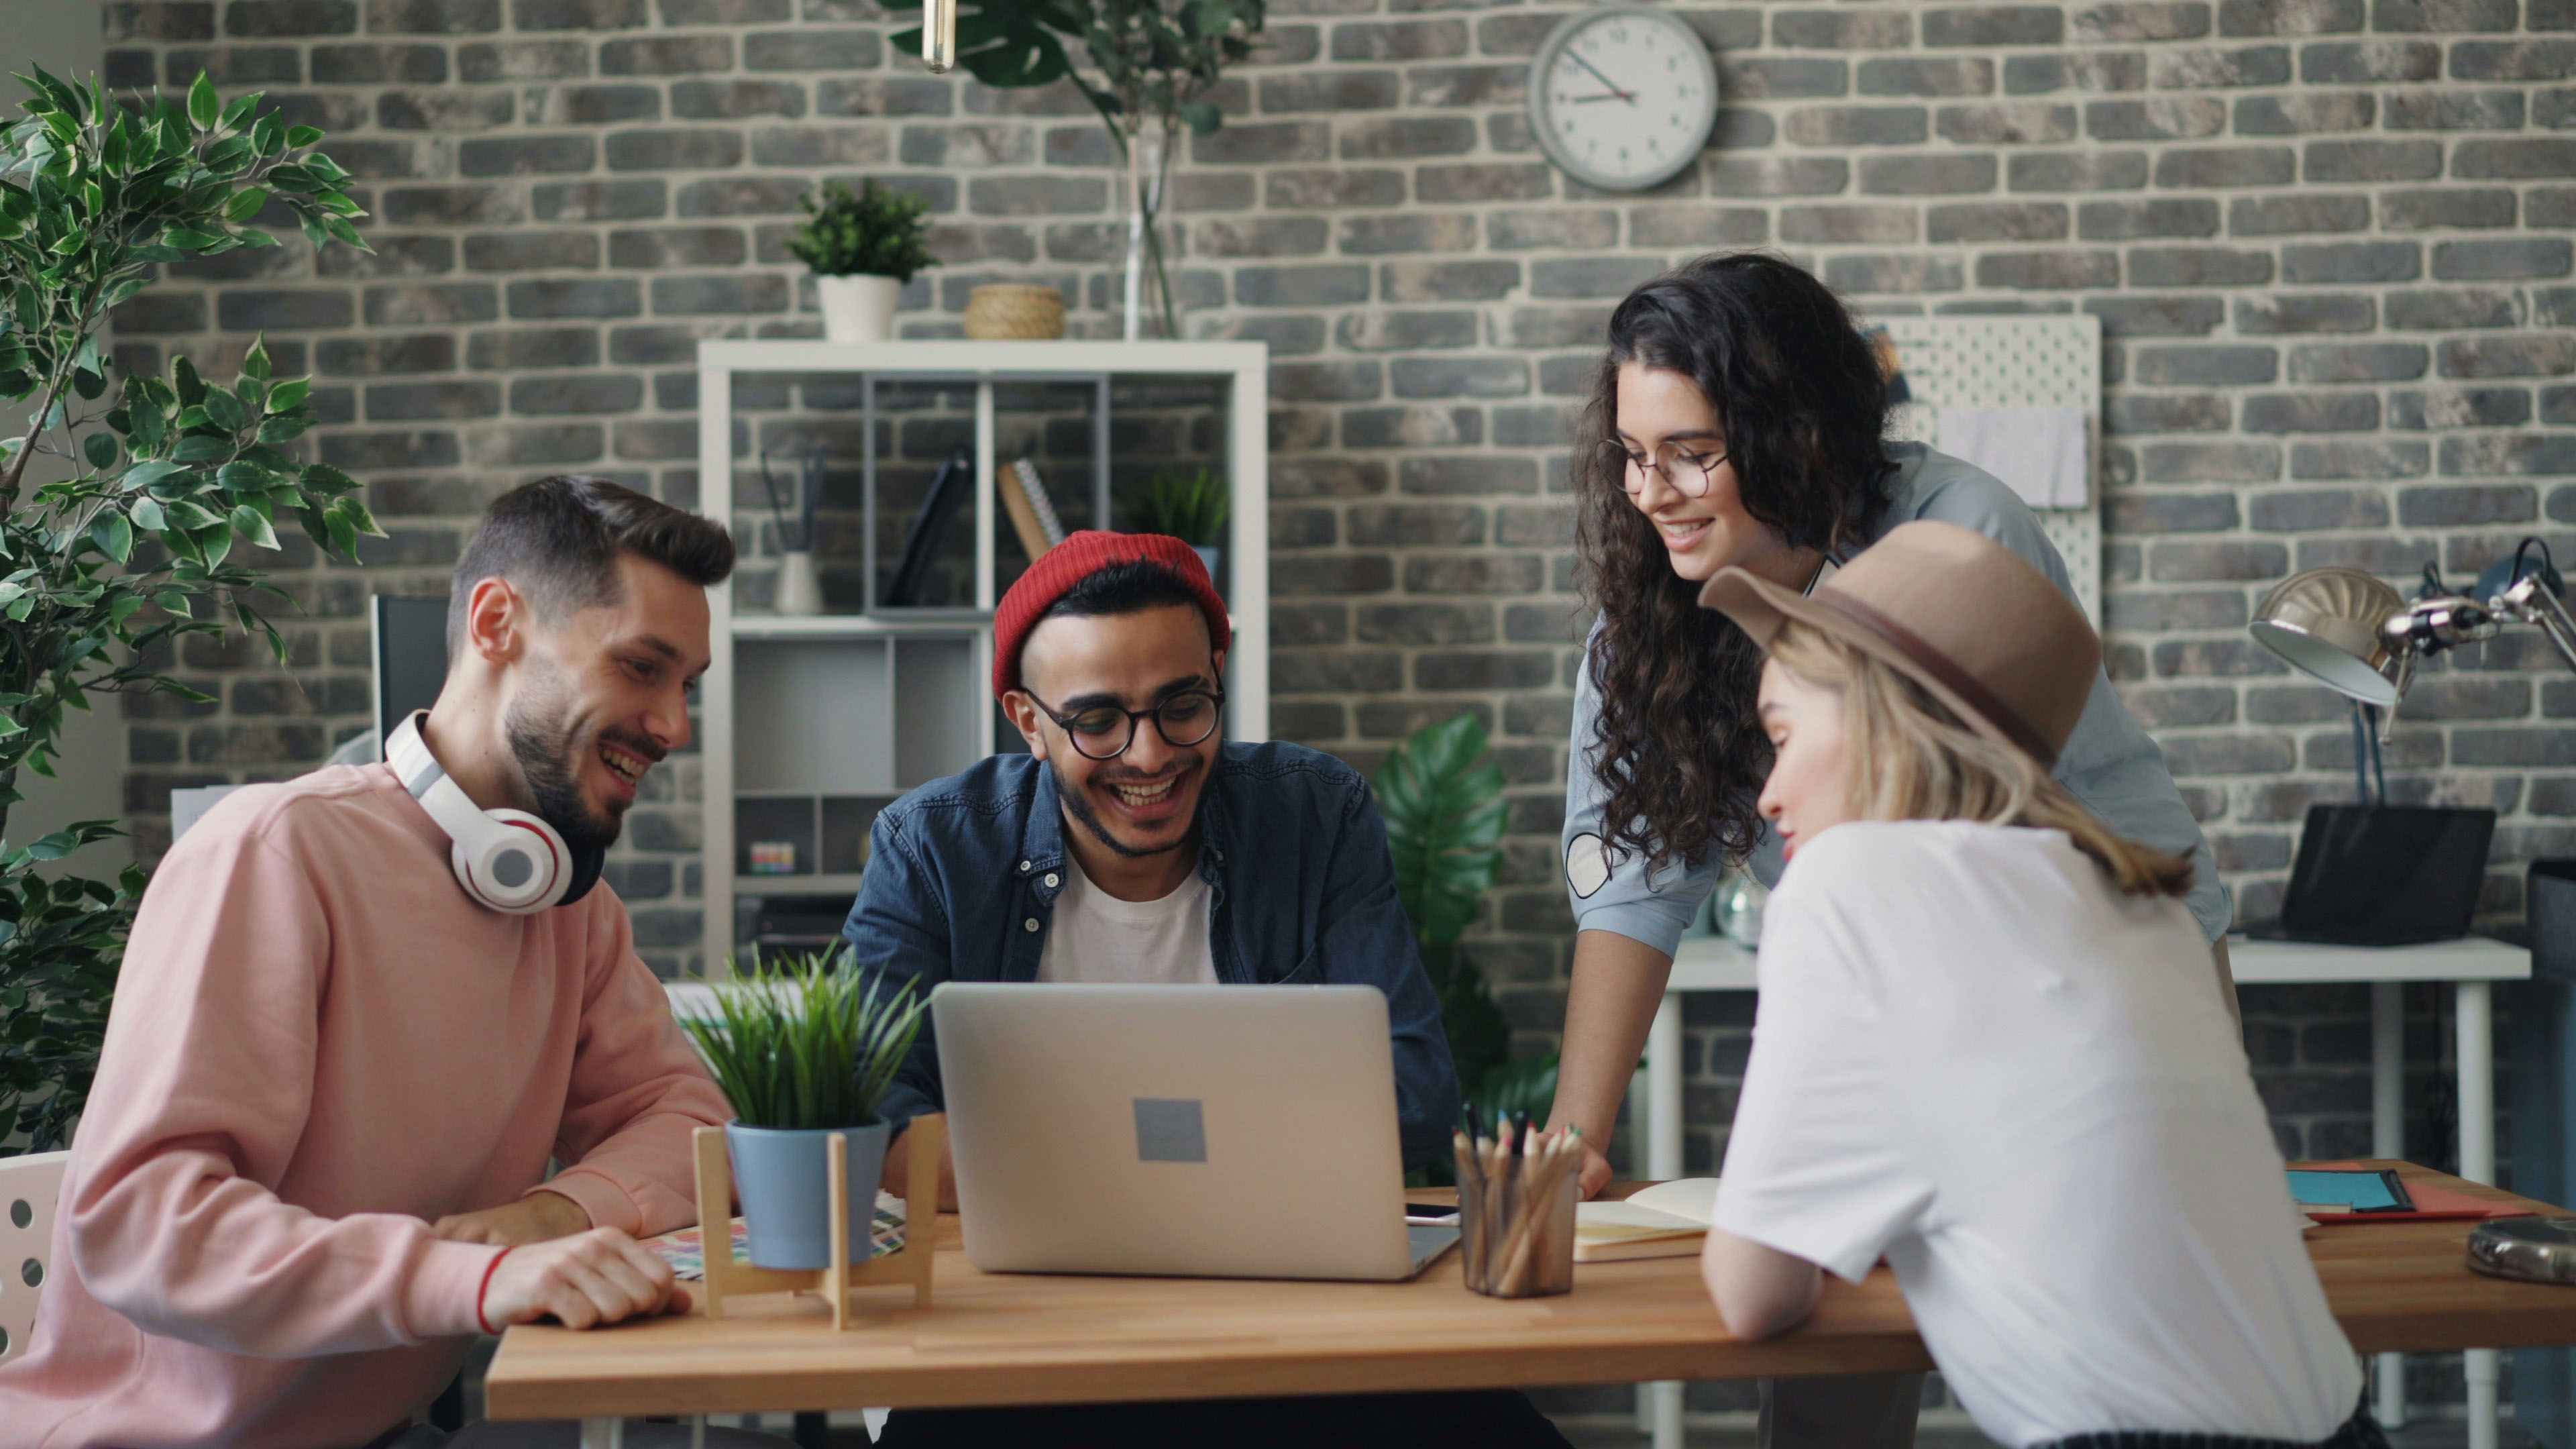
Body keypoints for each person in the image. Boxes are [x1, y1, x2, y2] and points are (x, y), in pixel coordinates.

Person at [1545, 253, 2237, 1448]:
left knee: (2140, 1347)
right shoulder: (1650, 609)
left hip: (2084, 979)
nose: (1651, 491)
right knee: (1832, 1384)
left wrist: (2207, 1143)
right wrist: (1577, 1147)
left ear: (1795, 433)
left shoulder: (1955, 541)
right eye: (1631, 454)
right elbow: (1634, 878)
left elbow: (2105, 862)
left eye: (1692, 451)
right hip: (1888, 997)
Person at [0, 478, 784, 1449]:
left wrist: (550, 1214)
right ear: (498, 623)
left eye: (685, 686)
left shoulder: (568, 907)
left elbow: (687, 1116)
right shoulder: (273, 853)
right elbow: (144, 1226)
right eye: (640, 668)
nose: (673, 726)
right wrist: (471, 1275)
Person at [843, 531, 1568, 1449]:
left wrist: (1062, 1171)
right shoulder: (933, 848)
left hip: (1298, 1326)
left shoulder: (1314, 812)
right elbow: (872, 1118)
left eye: (1183, 705)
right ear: (1028, 722)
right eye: (1097, 721)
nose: (1149, 756)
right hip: (1019, 1335)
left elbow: (1417, 1098)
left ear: (1217, 673)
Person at [1697, 519, 2373, 1449]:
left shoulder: (1846, 883)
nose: (1768, 794)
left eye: (1783, 735)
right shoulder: (2147, 908)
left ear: (1886, 717)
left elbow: (1752, 1293)